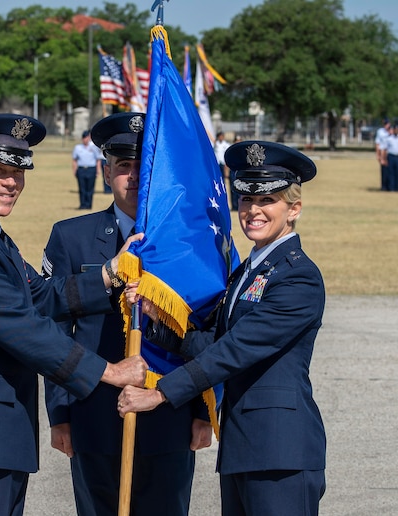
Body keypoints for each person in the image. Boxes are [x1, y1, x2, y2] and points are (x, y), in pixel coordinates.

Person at [0, 113, 147, 516]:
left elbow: (41, 296)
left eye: (18, 171)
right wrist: (111, 372)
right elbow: (26, 329)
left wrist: (109, 274)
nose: (11, 182)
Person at [118, 140, 326, 516]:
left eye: (268, 201)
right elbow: (216, 342)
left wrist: (161, 393)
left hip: (280, 450)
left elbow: (235, 351)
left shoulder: (298, 279)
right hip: (245, 447)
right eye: (246, 200)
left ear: (293, 209)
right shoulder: (249, 270)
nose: (253, 211)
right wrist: (155, 321)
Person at [41, 112, 212, 516]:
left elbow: (207, 326)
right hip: (92, 414)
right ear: (105, 171)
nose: (133, 177)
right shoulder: (71, 236)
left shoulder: (189, 243)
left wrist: (204, 411)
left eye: (144, 167)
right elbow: (54, 329)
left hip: (169, 412)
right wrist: (60, 414)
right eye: (123, 166)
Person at [71, 129, 101, 209]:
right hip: (81, 169)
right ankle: (82, 204)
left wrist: (98, 171)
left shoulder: (93, 148)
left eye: (87, 137)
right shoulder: (78, 148)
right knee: (82, 188)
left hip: (91, 169)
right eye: (84, 138)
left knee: (90, 189)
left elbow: (98, 159)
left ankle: (88, 205)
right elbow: (74, 160)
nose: (85, 139)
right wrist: (74, 170)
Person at [214, 131, 236, 211]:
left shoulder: (226, 145)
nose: (221, 138)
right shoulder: (215, 144)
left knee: (224, 182)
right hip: (217, 164)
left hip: (224, 164)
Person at [382, 124, 398, 192]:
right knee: (391, 173)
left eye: (397, 129)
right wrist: (385, 159)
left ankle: (397, 188)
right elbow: (385, 149)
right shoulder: (389, 139)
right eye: (395, 129)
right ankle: (391, 187)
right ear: (393, 130)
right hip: (391, 156)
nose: (396, 131)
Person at [375, 118, 391, 191]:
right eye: (385, 124)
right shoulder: (380, 132)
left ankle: (390, 186)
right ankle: (384, 186)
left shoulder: (392, 131)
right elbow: (377, 143)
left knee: (391, 170)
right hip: (382, 152)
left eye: (387, 124)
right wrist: (378, 155)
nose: (386, 126)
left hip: (390, 152)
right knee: (384, 170)